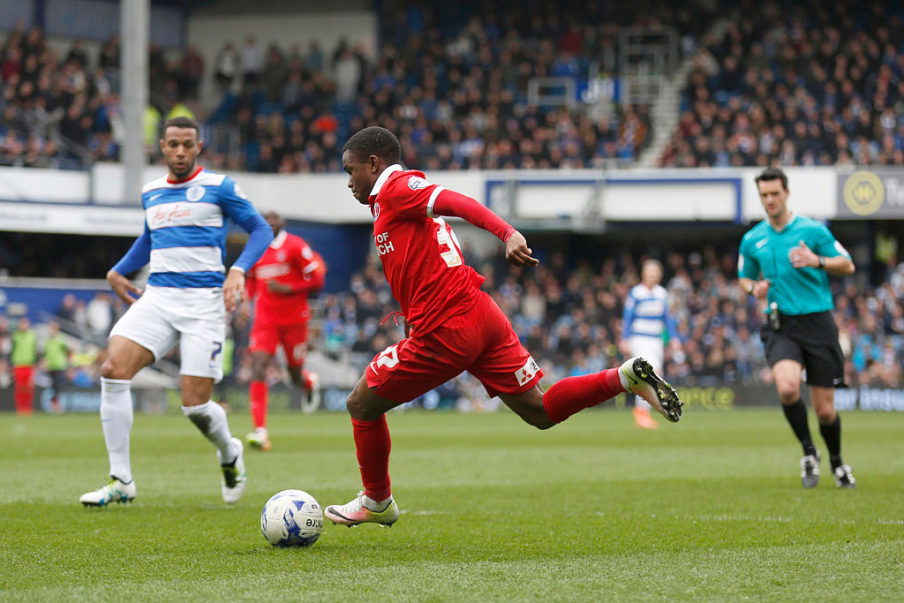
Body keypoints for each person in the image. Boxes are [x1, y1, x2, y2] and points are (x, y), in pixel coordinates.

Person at [323, 126, 683, 527]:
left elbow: (456, 200)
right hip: (480, 313)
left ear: (374, 164)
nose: (348, 181)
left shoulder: (396, 187)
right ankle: (623, 378)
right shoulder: (390, 200)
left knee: (360, 403)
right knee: (540, 410)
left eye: (350, 170)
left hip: (445, 330)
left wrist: (506, 232)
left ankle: (377, 501)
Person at [79, 116, 273, 507]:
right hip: (158, 298)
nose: (180, 151)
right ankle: (121, 481)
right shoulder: (151, 192)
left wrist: (238, 271)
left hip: (204, 304)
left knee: (195, 407)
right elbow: (150, 238)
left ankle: (229, 451)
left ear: (198, 147)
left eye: (188, 144)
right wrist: (119, 271)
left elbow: (261, 230)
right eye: (173, 144)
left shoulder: (220, 187)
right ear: (162, 147)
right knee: (112, 371)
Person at [738, 167, 856, 489]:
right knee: (788, 388)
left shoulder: (813, 231)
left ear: (787, 193)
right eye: (764, 195)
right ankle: (808, 452)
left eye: (775, 193)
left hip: (817, 322)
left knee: (825, 411)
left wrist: (816, 260)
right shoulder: (752, 239)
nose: (770, 200)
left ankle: (836, 462)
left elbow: (847, 264)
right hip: (781, 324)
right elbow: (745, 277)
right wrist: (753, 290)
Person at [241, 210, 326, 451]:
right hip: (266, 320)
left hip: (294, 320)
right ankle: (260, 431)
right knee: (257, 366)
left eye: (273, 220)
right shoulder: (256, 247)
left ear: (282, 224)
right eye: (264, 221)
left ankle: (308, 382)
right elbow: (252, 279)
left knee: (294, 374)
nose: (269, 224)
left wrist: (288, 287)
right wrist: (247, 300)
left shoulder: (296, 246)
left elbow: (317, 281)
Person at [619, 259, 682, 429]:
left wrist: (674, 337)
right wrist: (624, 339)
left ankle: (642, 411)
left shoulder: (662, 293)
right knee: (650, 373)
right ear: (644, 274)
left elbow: (667, 318)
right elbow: (628, 318)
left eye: (656, 273)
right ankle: (641, 412)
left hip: (655, 340)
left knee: (653, 374)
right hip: (639, 338)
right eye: (650, 272)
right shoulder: (636, 293)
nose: (653, 276)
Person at [11, 317, 38, 416]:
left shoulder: (32, 336)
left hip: (29, 365)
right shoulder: (15, 336)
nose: (23, 326)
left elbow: (35, 350)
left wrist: (36, 363)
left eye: (25, 324)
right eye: (22, 324)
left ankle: (28, 408)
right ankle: (20, 408)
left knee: (29, 388)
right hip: (18, 365)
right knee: (19, 388)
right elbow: (11, 350)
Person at [42, 321, 70, 413]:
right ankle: (54, 404)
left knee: (58, 386)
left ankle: (56, 404)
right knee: (53, 386)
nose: (50, 331)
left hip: (59, 366)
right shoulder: (48, 341)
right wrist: (45, 363)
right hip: (51, 367)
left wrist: (68, 361)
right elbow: (45, 354)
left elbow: (68, 351)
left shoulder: (61, 339)